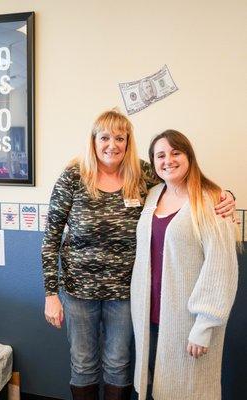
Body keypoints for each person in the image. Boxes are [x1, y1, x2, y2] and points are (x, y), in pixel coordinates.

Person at [42, 111, 235, 400]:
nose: (112, 145)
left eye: (120, 138)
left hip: (126, 293)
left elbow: (184, 184)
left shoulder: (143, 174)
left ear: (128, 142)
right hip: (79, 291)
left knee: (118, 364)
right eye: (105, 137)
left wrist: (226, 195)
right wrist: (50, 293)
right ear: (93, 141)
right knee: (83, 364)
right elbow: (52, 237)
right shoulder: (74, 176)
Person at [130, 129, 239, 400]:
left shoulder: (210, 200)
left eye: (176, 152)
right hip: (150, 318)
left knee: (189, 390)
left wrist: (204, 326)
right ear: (153, 162)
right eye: (160, 155)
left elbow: (221, 269)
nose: (168, 160)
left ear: (189, 156)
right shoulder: (153, 194)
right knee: (155, 387)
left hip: (188, 322)